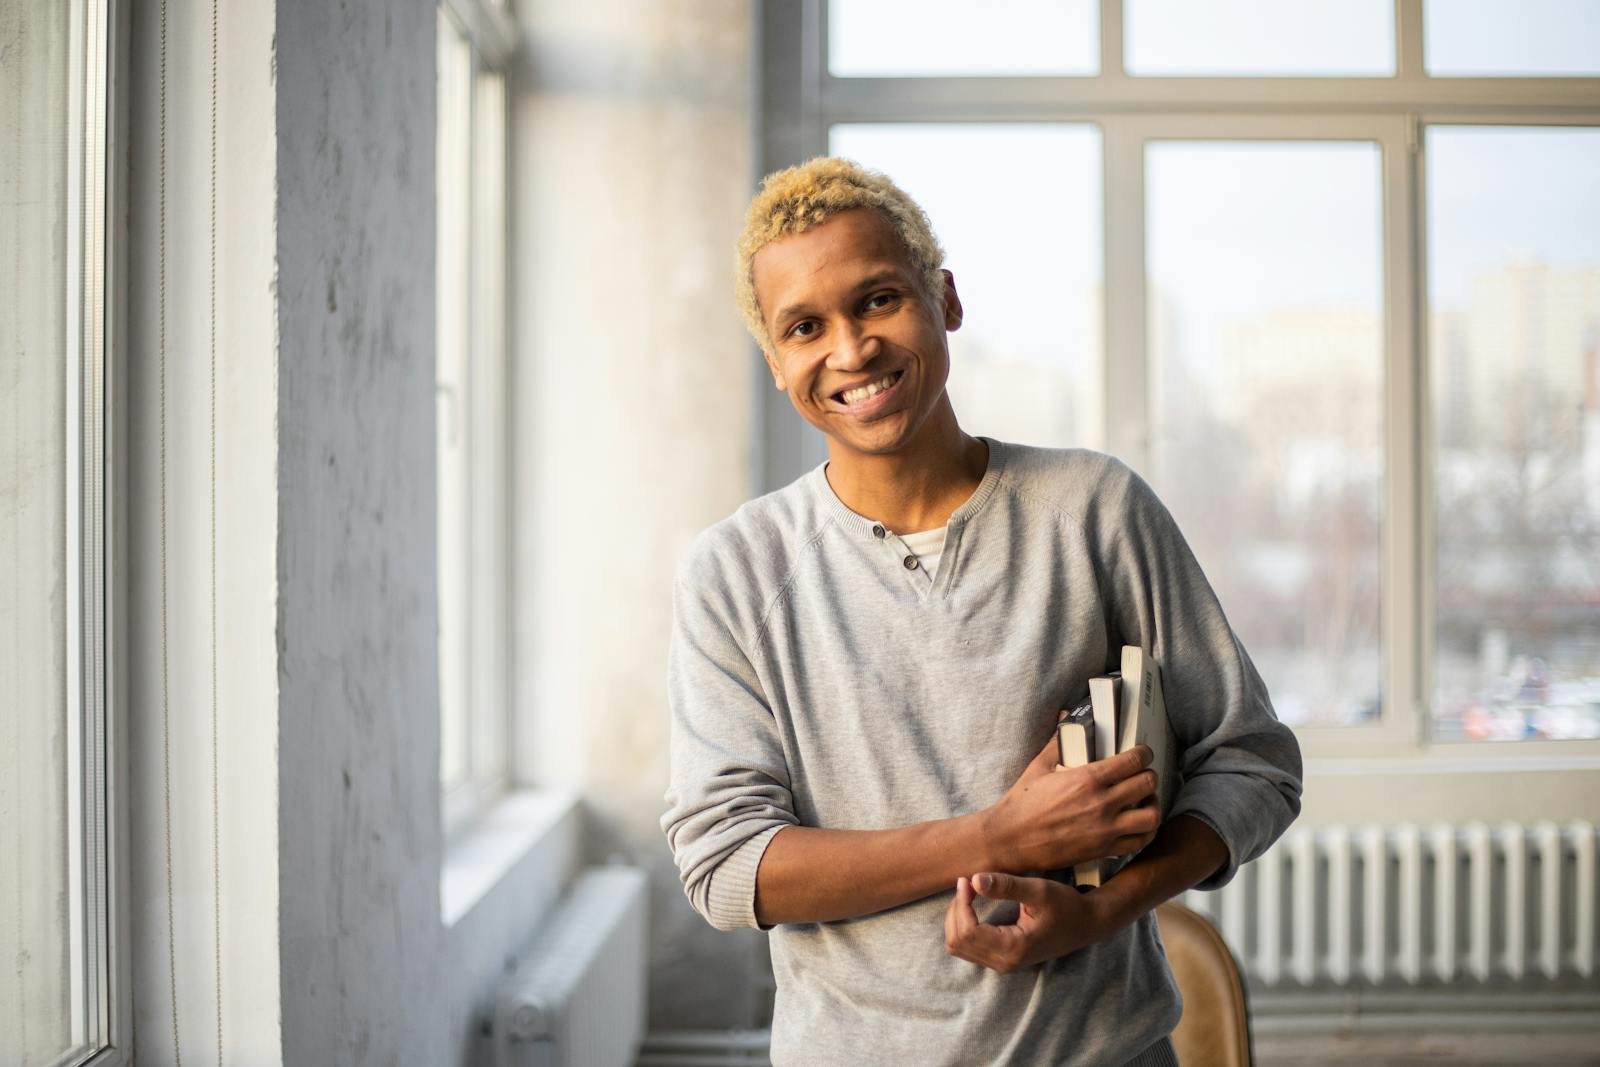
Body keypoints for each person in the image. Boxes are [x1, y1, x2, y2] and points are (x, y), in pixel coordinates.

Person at [660, 156, 1302, 1066]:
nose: (850, 350)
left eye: (878, 299)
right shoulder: (734, 571)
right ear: (776, 362)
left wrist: (1101, 909)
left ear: (945, 299)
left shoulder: (1094, 508)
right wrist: (996, 836)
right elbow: (727, 867)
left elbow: (1255, 762)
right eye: (806, 326)